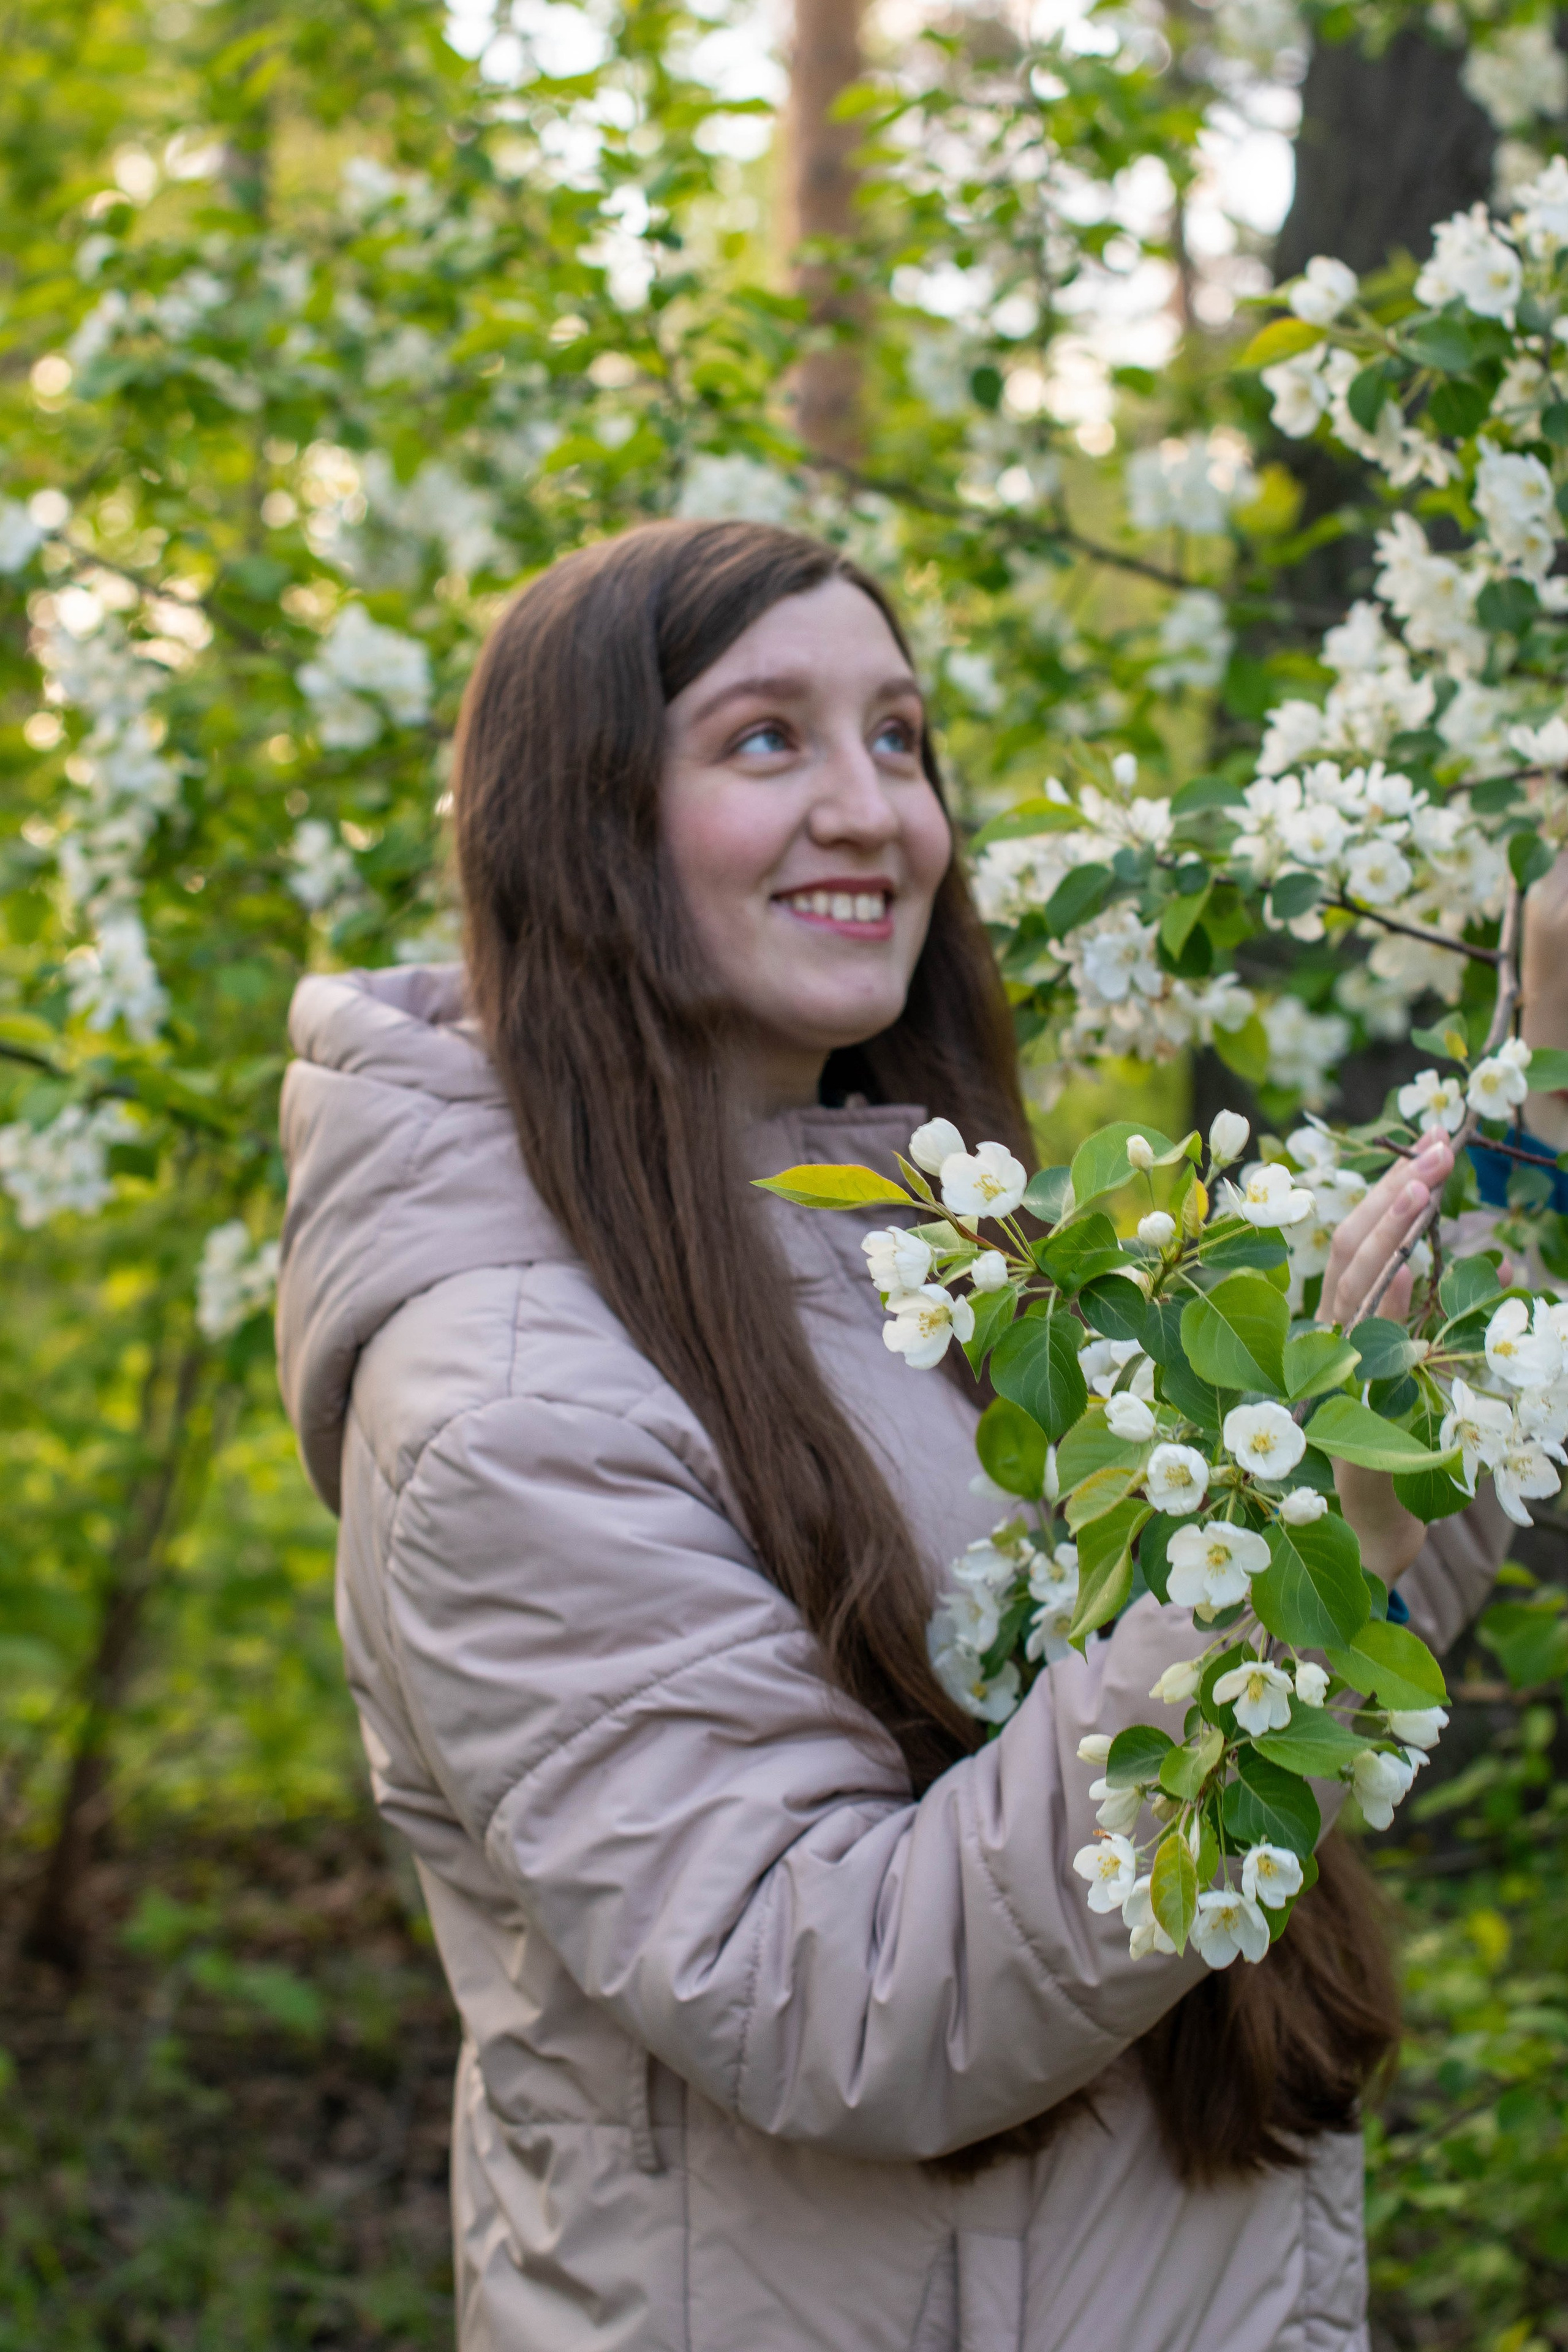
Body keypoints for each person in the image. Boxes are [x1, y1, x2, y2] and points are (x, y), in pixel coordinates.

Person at [274, 520, 1507, 2352]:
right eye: (767, 739)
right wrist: (1285, 1576)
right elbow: (837, 1995)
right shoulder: (505, 1404)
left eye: (902, 736)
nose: (874, 810)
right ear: (580, 819)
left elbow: (1335, 1590)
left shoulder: (929, 1238)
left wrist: (1531, 1128)